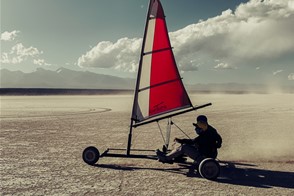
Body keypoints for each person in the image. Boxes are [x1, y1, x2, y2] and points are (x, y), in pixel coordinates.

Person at [156, 115, 222, 163]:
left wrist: (180, 140)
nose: (196, 129)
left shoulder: (206, 135)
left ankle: (166, 158)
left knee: (184, 147)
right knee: (183, 145)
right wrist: (216, 145)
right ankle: (175, 156)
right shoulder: (210, 129)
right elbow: (219, 139)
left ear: (201, 128)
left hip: (204, 157)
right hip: (208, 154)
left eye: (197, 128)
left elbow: (192, 142)